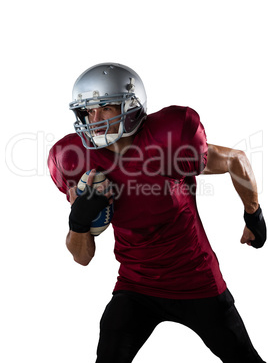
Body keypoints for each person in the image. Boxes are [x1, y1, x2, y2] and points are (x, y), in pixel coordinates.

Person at [48, 63, 266, 363]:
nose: (94, 120)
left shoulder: (168, 142)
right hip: (136, 284)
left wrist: (253, 214)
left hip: (197, 281)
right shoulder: (78, 160)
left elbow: (235, 160)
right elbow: (82, 257)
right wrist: (79, 220)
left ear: (131, 107)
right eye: (88, 112)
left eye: (106, 108)